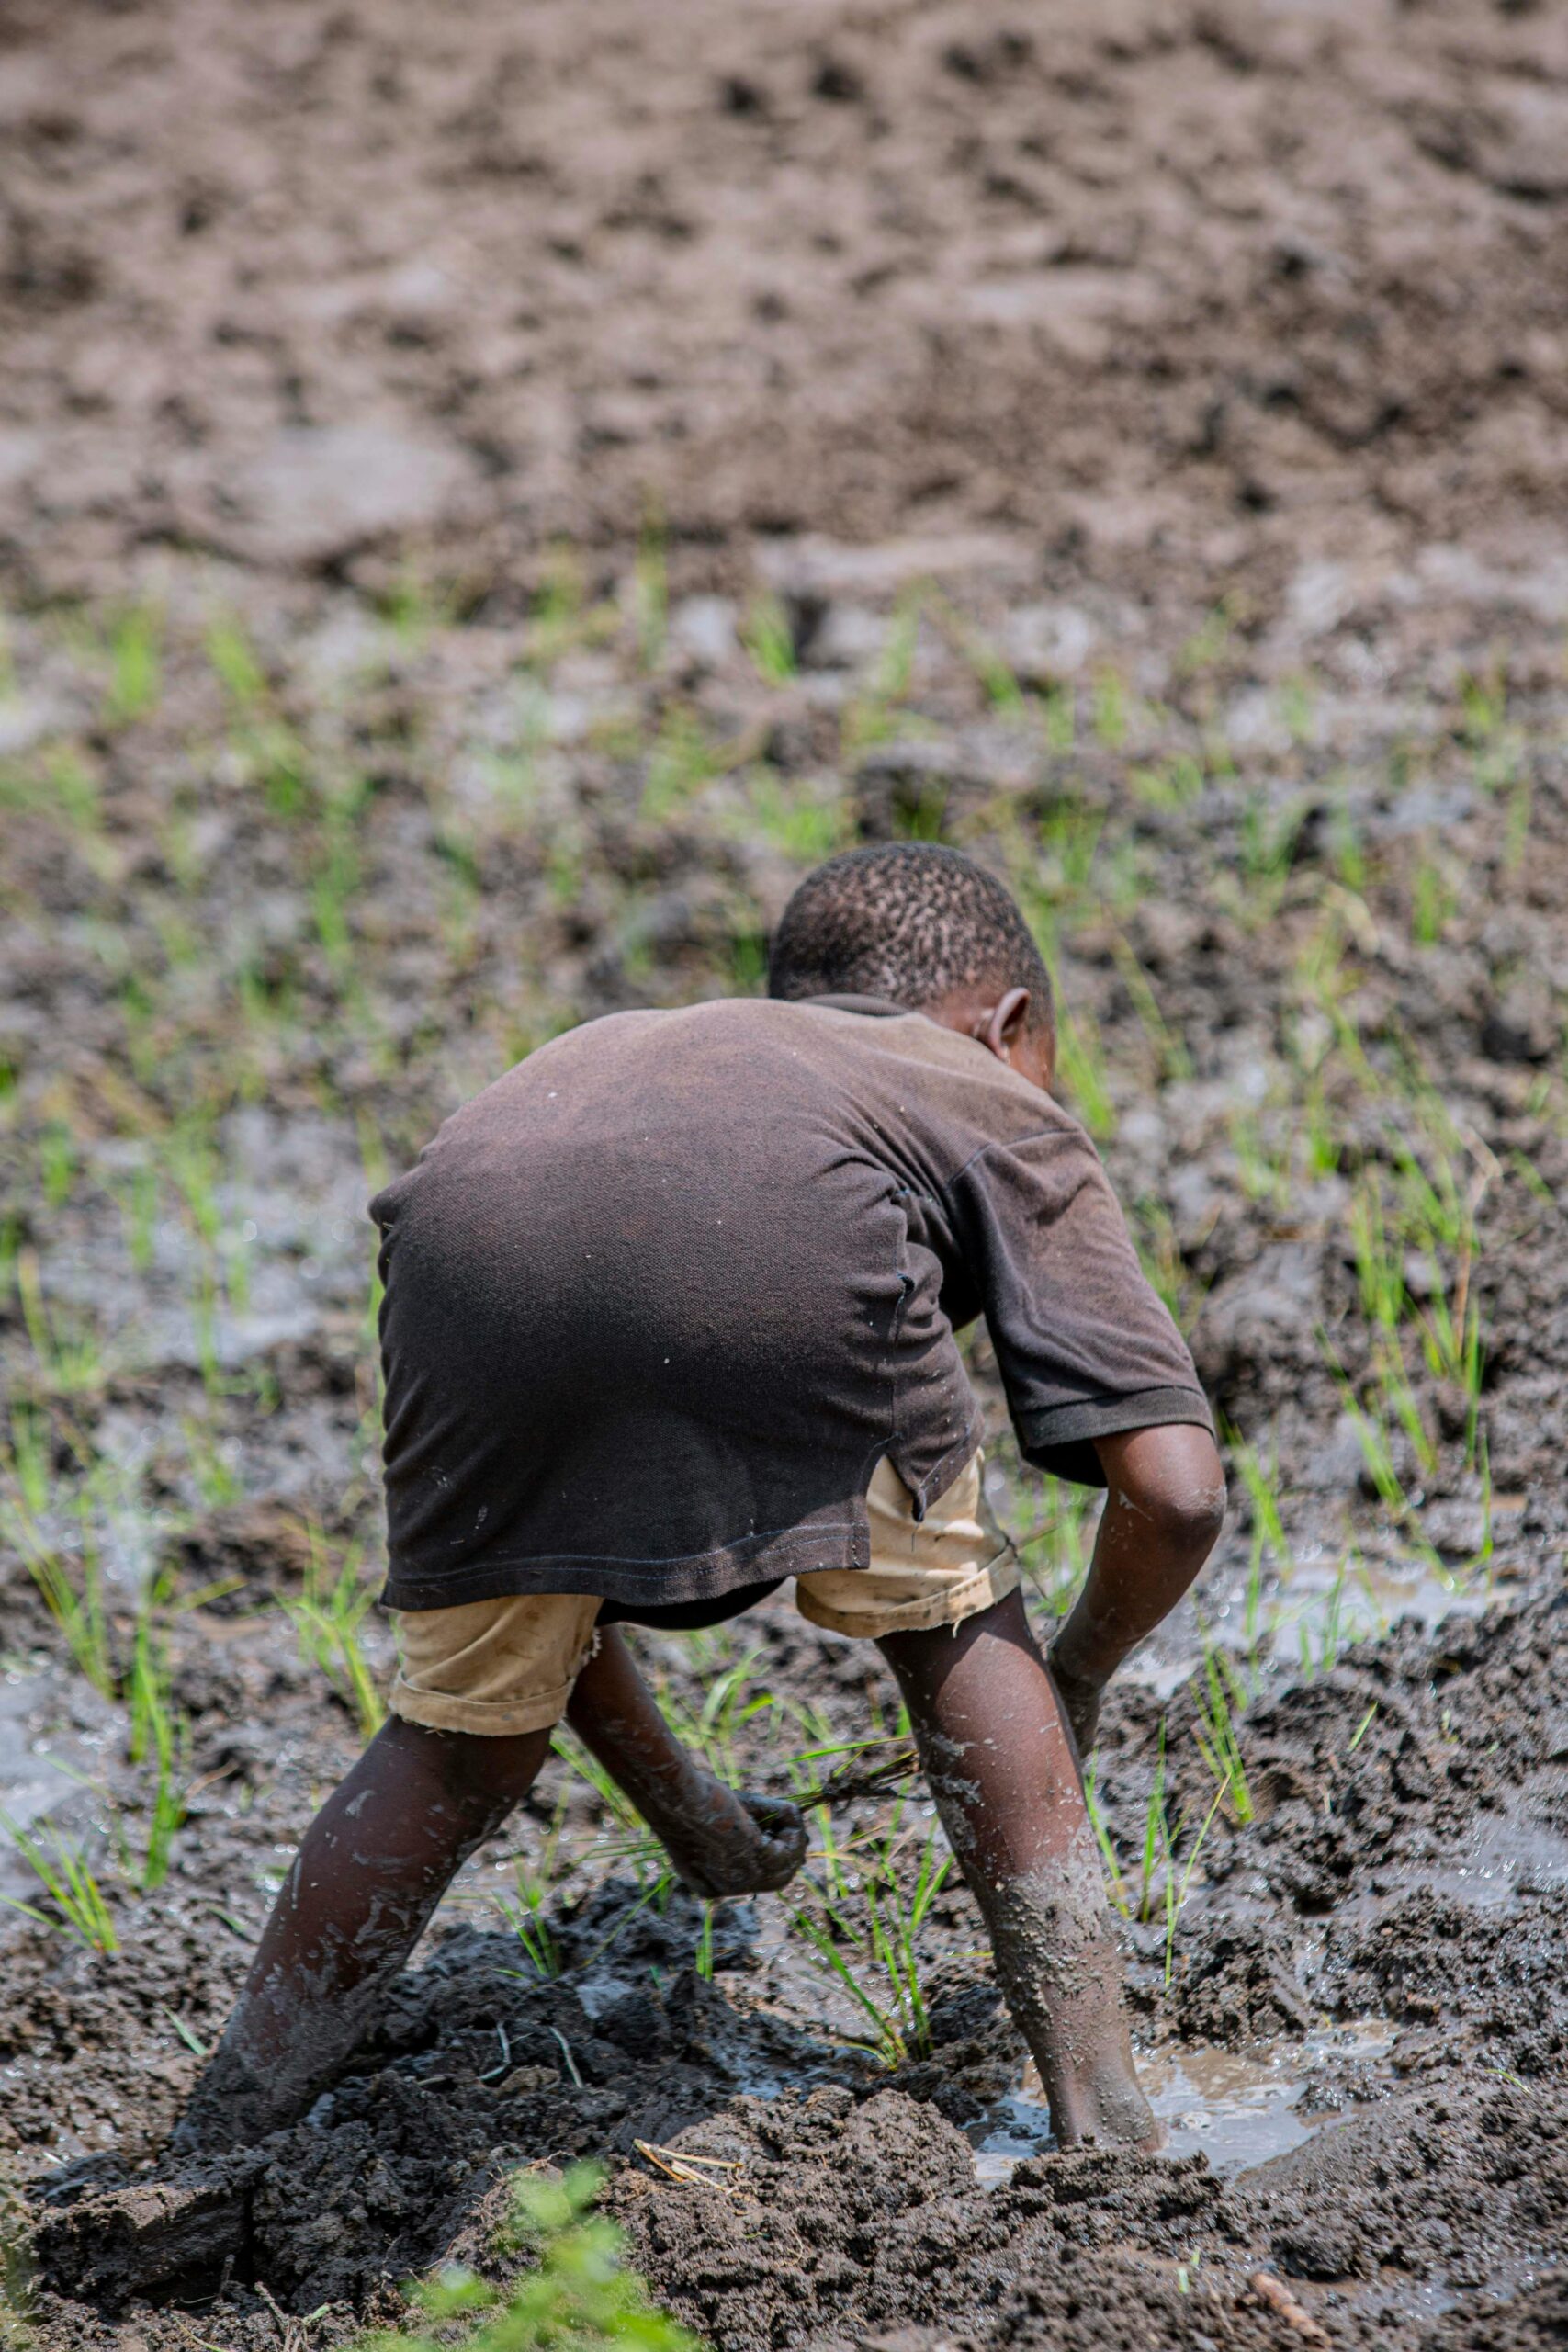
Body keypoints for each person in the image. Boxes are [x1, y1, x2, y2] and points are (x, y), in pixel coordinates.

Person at [179, 843, 1224, 2154]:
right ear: (1006, 1024)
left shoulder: (628, 1060)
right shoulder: (966, 1077)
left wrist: (700, 1824)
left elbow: (568, 1587)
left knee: (454, 1740)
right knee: (951, 1627)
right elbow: (1176, 1497)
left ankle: (217, 2143)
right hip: (799, 1246)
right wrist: (1069, 1675)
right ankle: (1107, 2121)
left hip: (463, 1237)